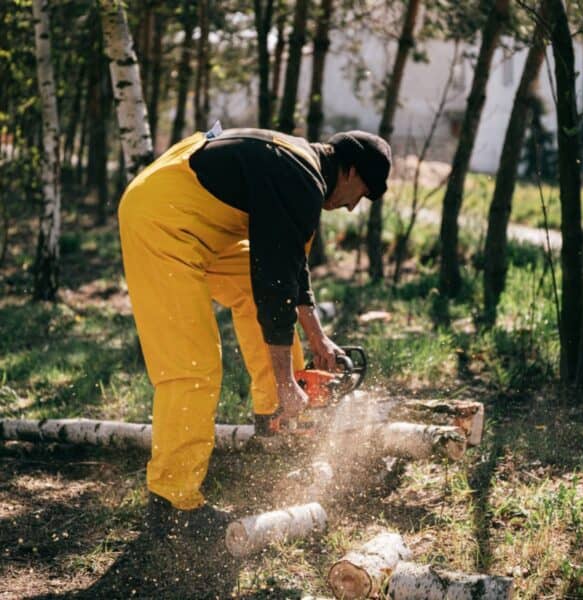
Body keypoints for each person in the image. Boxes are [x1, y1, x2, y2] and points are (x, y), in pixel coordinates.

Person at [118, 126, 392, 540]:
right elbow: (274, 287)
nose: (355, 207)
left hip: (192, 216)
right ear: (350, 171)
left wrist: (318, 339)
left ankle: (277, 417)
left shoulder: (303, 170)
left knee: (252, 290)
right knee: (193, 367)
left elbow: (291, 268)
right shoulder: (301, 180)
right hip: (162, 223)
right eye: (364, 193)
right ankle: (172, 501)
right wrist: (285, 377)